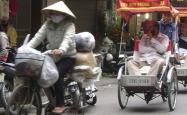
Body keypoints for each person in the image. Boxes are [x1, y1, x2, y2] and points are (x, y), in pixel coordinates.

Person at [26, 1, 76, 114]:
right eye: (53, 13)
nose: (55, 15)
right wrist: (26, 48)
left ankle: (60, 104)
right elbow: (37, 37)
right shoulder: (47, 24)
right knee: (36, 71)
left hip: (67, 56)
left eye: (57, 13)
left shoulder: (69, 25)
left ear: (63, 14)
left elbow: (67, 39)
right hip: (51, 55)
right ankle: (43, 97)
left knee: (56, 74)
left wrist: (62, 50)